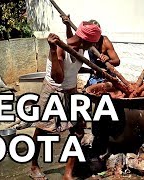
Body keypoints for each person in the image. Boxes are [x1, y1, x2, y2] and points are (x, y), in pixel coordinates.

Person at [30, 21, 101, 180]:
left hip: (72, 92)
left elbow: (74, 67)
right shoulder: (60, 47)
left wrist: (92, 69)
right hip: (53, 91)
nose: (94, 45)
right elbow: (59, 77)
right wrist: (53, 50)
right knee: (42, 129)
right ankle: (34, 165)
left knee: (78, 130)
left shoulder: (80, 47)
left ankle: (68, 173)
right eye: (93, 42)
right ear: (86, 40)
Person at [61, 15, 121, 87]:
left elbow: (117, 61)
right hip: (95, 74)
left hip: (107, 75)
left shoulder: (105, 41)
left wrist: (107, 60)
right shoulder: (85, 41)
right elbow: (72, 45)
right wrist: (68, 26)